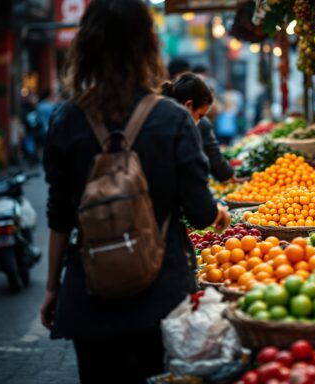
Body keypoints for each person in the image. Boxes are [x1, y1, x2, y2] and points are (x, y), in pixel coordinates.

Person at [39, 1, 230, 383]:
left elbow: (60, 216)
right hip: (161, 294)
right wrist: (219, 216)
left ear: (85, 45)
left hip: (90, 289)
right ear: (147, 45)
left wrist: (52, 288)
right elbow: (200, 212)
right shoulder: (173, 118)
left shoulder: (66, 119)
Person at [162, 73, 234, 182]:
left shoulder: (159, 116)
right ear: (188, 105)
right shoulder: (177, 132)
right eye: (200, 115)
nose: (199, 121)